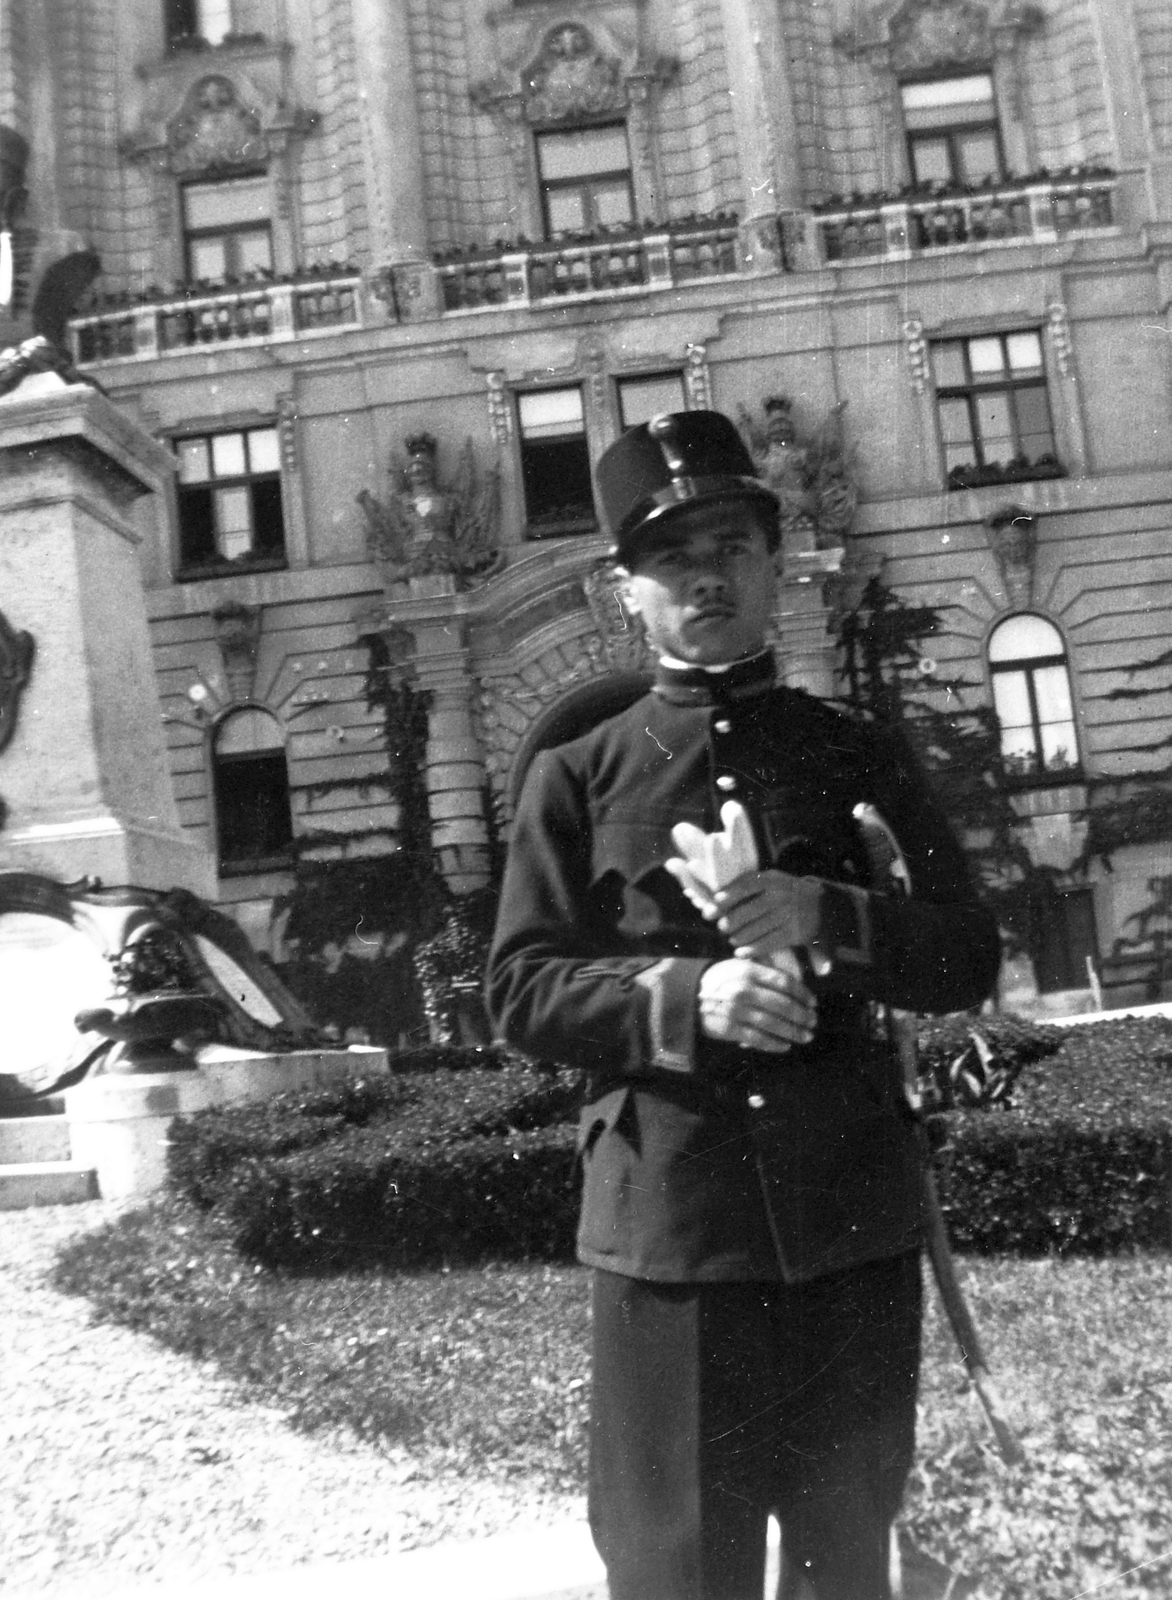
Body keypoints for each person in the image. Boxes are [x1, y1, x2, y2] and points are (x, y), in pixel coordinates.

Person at [486, 410, 1001, 1600]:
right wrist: (688, 994)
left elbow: (965, 953)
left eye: (730, 544)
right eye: (672, 555)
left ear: (773, 564)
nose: (704, 574)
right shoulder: (577, 770)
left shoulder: (852, 750)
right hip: (673, 1230)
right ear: (628, 589)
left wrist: (824, 915)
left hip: (847, 1222)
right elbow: (518, 988)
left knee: (843, 1564)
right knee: (680, 1571)